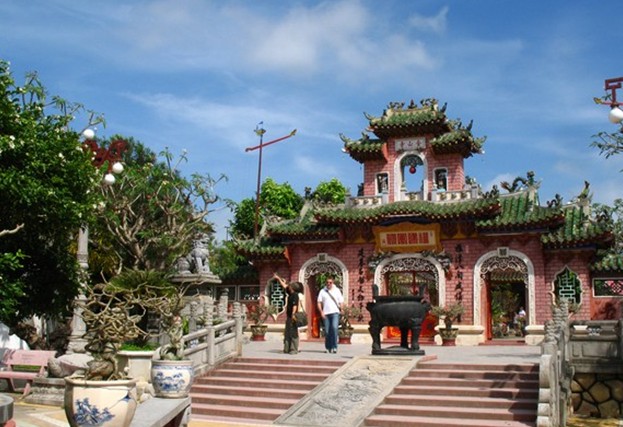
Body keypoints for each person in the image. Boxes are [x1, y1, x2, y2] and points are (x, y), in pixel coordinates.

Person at [273, 273, 303, 354]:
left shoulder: (295, 295)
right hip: (289, 316)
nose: (288, 286)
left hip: (293, 316)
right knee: (287, 333)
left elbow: (295, 306)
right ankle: (287, 348)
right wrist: (278, 278)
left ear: (292, 288)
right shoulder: (290, 294)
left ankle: (293, 349)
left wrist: (293, 314)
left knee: (293, 333)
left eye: (290, 286)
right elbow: (284, 286)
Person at [317, 276, 344, 354]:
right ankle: (328, 347)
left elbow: (341, 301)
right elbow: (319, 302)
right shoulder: (322, 291)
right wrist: (321, 312)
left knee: (334, 328)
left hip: (335, 313)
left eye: (330, 282)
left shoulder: (337, 290)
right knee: (327, 331)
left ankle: (334, 347)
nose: (329, 284)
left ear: (333, 283)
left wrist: (342, 309)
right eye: (327, 282)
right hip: (326, 313)